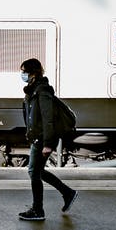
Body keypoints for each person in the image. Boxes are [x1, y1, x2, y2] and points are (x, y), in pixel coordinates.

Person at [18, 57, 77, 221]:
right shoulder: (33, 90)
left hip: (42, 139)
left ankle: (38, 210)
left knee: (34, 172)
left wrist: (48, 144)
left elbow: (48, 119)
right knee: (38, 171)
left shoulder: (42, 91)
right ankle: (68, 193)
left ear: (33, 73)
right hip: (37, 138)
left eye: (24, 71)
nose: (22, 74)